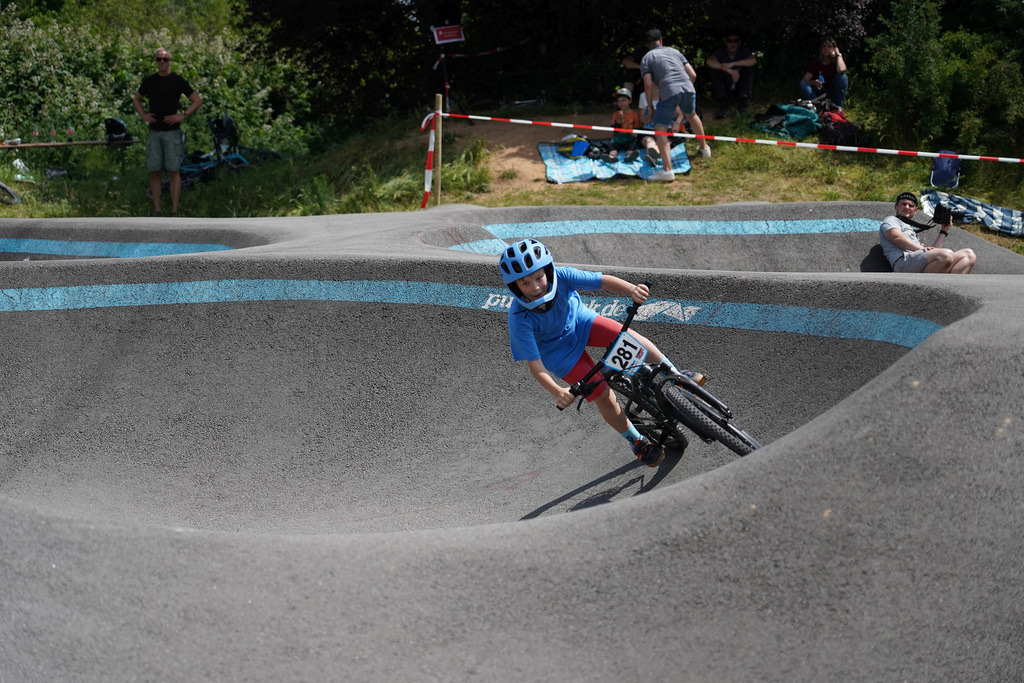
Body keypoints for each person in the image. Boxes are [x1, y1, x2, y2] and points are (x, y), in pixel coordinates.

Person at [499, 238, 704, 467]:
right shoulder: (519, 319)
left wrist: (632, 290)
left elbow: (601, 281)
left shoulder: (562, 276)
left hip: (581, 323)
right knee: (603, 395)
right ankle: (637, 441)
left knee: (630, 339)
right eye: (525, 284)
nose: (536, 287)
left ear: (548, 270)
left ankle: (676, 375)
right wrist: (558, 391)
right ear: (514, 287)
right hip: (559, 354)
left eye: (539, 277)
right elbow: (535, 366)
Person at [133, 47, 202, 217]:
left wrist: (183, 116)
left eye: (165, 59)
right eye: (159, 59)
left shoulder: (177, 81)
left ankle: (174, 210)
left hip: (172, 132)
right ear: (155, 62)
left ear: (170, 61)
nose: (162, 62)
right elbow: (137, 99)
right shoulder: (150, 81)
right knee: (155, 170)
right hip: (155, 131)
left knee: (173, 171)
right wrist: (143, 115)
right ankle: (157, 210)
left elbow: (197, 100)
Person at [640, 28, 711, 182]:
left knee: (660, 129)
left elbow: (647, 84)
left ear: (647, 45)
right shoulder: (674, 51)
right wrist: (685, 88)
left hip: (669, 92)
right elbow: (693, 75)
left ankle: (667, 171)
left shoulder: (647, 58)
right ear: (661, 40)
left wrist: (650, 107)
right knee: (692, 115)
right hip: (688, 87)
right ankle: (704, 149)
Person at [879, 192, 977, 273]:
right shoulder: (891, 220)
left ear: (916, 210)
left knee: (968, 255)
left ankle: (950, 289)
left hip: (917, 261)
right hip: (903, 264)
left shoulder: (911, 231)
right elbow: (896, 237)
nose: (907, 207)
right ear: (896, 206)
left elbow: (934, 251)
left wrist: (944, 231)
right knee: (946, 254)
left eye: (911, 206)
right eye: (903, 204)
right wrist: (920, 248)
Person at [705, 32, 757, 119]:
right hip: (725, 87)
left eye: (735, 41)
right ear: (725, 42)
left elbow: (753, 61)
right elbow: (709, 61)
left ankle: (743, 105)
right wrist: (729, 71)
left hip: (740, 87)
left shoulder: (744, 52)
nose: (732, 43)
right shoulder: (720, 52)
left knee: (749, 68)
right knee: (713, 70)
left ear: (739, 42)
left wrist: (733, 64)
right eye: (729, 41)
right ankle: (723, 106)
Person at [637, 82, 684, 168]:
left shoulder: (670, 95)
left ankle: (655, 157)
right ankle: (654, 155)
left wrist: (676, 124)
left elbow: (680, 115)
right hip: (649, 130)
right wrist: (647, 119)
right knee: (648, 141)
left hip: (666, 130)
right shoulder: (643, 96)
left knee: (664, 142)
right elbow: (641, 117)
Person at [797, 36, 848, 107]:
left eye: (829, 46)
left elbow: (841, 69)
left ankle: (838, 106)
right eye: (824, 46)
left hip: (832, 91)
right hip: (819, 92)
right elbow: (804, 81)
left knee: (842, 76)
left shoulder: (836, 62)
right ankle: (817, 105)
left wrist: (838, 54)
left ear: (833, 49)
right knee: (802, 84)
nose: (826, 48)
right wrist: (814, 82)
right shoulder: (816, 63)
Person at [602, 88, 641, 164]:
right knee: (613, 148)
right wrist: (619, 122)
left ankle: (629, 157)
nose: (621, 103)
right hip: (618, 138)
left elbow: (636, 127)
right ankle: (611, 157)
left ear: (630, 101)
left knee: (630, 147)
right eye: (619, 101)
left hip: (629, 137)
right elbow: (615, 131)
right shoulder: (616, 114)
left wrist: (635, 133)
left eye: (623, 100)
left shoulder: (634, 114)